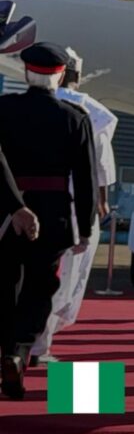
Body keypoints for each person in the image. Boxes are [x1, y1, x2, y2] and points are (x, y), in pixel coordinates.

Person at [0, 43, 98, 400]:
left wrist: (13, 206)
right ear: (60, 74)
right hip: (53, 215)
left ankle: (7, 349)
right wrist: (84, 228)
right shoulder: (75, 117)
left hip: (5, 212)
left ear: (26, 72)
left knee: (6, 284)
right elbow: (86, 178)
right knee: (40, 290)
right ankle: (19, 352)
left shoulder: (4, 109)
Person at [31, 47, 119, 366]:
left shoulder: (18, 105)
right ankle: (39, 344)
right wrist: (102, 201)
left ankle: (18, 344)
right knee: (65, 277)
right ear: (76, 75)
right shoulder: (90, 112)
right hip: (70, 205)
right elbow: (99, 163)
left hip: (23, 203)